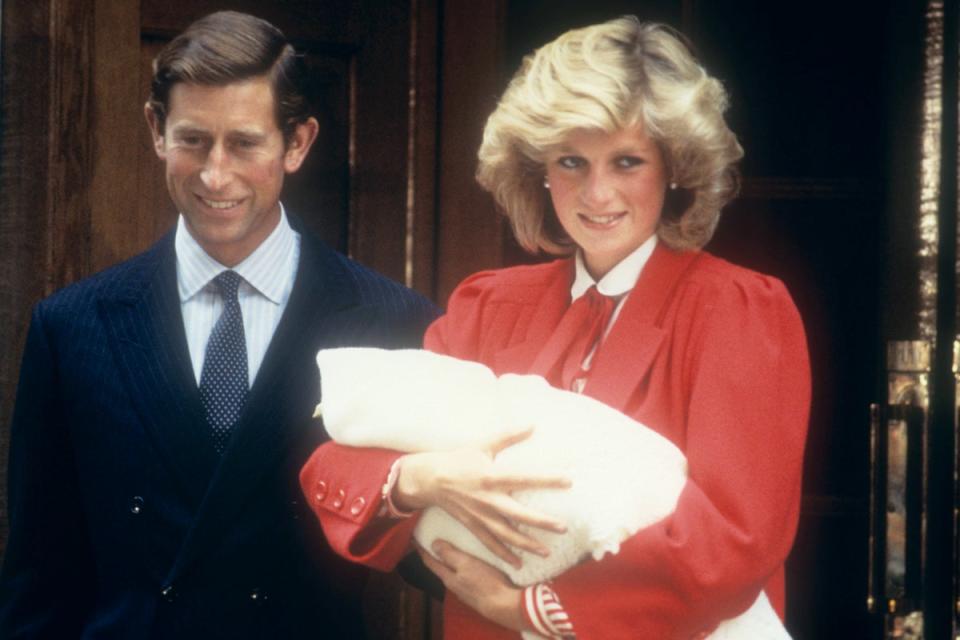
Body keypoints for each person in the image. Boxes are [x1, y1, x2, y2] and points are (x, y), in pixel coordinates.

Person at [300, 15, 811, 640]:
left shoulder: (737, 310)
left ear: (674, 166)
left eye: (626, 162)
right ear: (537, 169)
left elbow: (733, 544)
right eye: (571, 161)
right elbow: (332, 470)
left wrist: (526, 609)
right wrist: (419, 481)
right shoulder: (487, 306)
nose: (597, 194)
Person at [0, 10, 437, 639]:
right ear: (156, 130)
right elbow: (37, 586)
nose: (215, 174)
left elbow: (439, 562)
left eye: (245, 143)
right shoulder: (72, 328)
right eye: (194, 140)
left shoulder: (394, 323)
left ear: (298, 143)